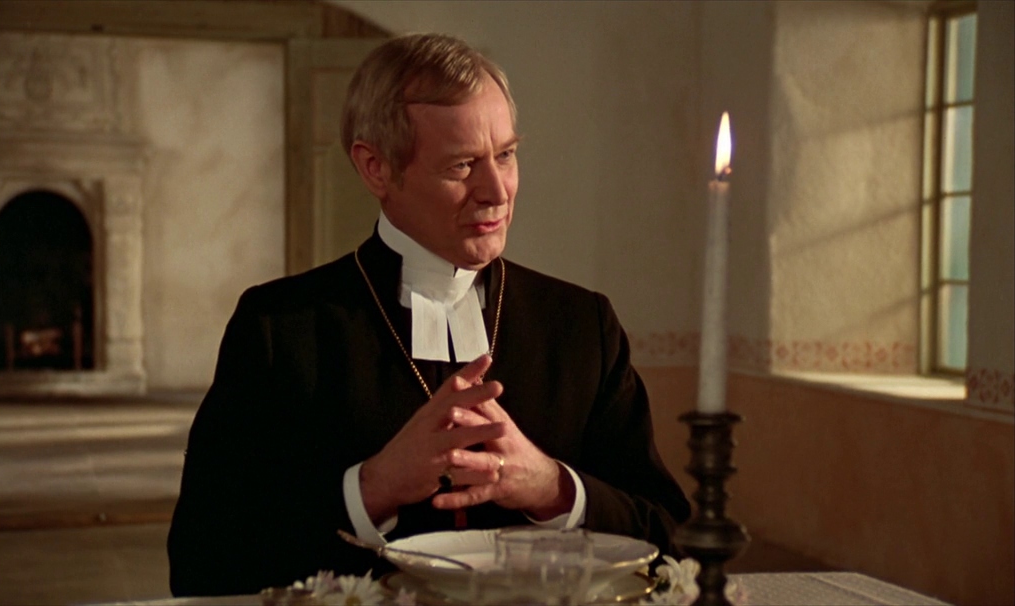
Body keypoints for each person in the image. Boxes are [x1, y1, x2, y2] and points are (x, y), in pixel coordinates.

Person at [167, 32, 690, 597]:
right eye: (463, 165)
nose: (497, 190)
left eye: (507, 154)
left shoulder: (582, 325)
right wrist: (371, 489)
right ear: (376, 169)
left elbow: (671, 542)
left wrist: (552, 488)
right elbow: (203, 560)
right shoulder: (279, 328)